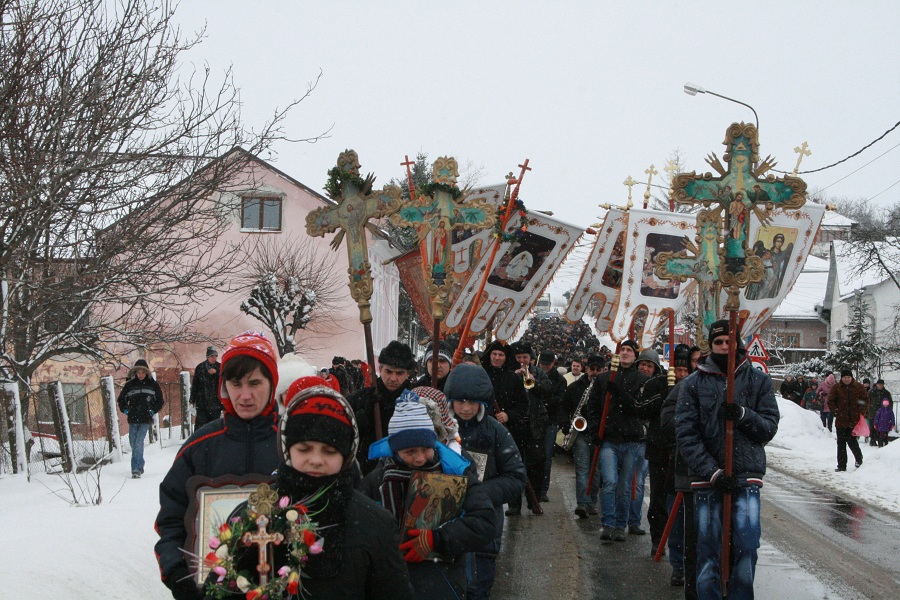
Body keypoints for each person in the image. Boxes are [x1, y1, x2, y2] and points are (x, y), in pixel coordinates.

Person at [206, 374, 414, 599]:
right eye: (304, 449)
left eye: (329, 451)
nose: (316, 460)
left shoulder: (374, 524)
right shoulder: (253, 516)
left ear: (346, 455)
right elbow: (219, 589)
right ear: (287, 449)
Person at [155, 331, 282, 600]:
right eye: (236, 384)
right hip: (216, 591)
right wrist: (176, 571)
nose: (245, 395)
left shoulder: (296, 443)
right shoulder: (199, 447)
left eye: (255, 383)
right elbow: (171, 519)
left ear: (272, 383)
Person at [676, 320, 780, 599]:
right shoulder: (693, 384)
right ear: (711, 345)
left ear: (738, 344)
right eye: (718, 342)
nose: (724, 347)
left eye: (729, 342)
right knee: (708, 547)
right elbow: (687, 434)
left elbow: (768, 428)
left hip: (746, 475)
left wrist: (744, 415)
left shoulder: (758, 381)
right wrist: (713, 472)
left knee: (747, 545)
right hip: (708, 478)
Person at [360, 393, 496, 599]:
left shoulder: (456, 472)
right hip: (390, 583)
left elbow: (484, 521)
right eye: (410, 451)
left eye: (426, 449)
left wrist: (438, 539)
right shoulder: (376, 481)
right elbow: (358, 531)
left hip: (442, 580)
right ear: (395, 450)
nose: (420, 458)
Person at [444, 363, 527, 600]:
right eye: (460, 401)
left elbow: (516, 476)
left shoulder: (496, 432)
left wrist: (479, 494)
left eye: (472, 402)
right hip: (447, 529)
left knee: (478, 590)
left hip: (484, 529)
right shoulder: (441, 432)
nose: (466, 408)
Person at [590, 339, 649, 541]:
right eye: (622, 349)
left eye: (628, 350)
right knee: (609, 482)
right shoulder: (604, 378)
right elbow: (594, 408)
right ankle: (607, 523)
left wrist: (621, 395)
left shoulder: (642, 379)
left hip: (631, 440)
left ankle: (620, 525)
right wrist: (596, 432)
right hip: (609, 439)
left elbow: (639, 408)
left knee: (624, 486)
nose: (624, 353)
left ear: (635, 355)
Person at [659, 343, 697, 590]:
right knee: (679, 519)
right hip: (683, 465)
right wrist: (690, 429)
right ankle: (679, 566)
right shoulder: (685, 387)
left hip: (712, 471)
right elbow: (667, 420)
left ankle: (703, 567)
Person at [349, 340, 416, 475]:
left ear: (408, 373)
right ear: (380, 369)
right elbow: (346, 434)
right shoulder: (361, 398)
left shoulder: (417, 399)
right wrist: (364, 415)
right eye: (388, 371)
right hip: (366, 472)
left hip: (405, 471)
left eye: (399, 373)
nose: (393, 378)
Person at [506, 341, 550, 514]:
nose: (522, 361)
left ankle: (534, 501)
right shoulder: (510, 373)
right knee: (513, 465)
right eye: (519, 358)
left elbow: (548, 389)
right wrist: (514, 379)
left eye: (525, 357)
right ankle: (514, 504)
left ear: (531, 358)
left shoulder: (538, 372)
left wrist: (535, 382)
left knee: (536, 464)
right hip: (516, 425)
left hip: (535, 425)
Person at [634, 348, 669, 548]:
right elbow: (641, 409)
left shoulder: (664, 383)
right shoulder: (654, 386)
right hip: (652, 444)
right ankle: (656, 538)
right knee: (655, 495)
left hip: (667, 445)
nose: (645, 368)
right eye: (643, 364)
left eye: (649, 365)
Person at [564, 353, 605, 518]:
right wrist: (565, 424)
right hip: (581, 432)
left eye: (598, 370)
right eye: (591, 369)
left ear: (603, 370)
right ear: (586, 369)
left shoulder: (605, 388)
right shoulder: (575, 387)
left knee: (595, 471)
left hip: (599, 433)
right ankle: (582, 503)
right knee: (582, 469)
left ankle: (591, 502)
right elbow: (564, 405)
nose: (594, 372)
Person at [117, 358, 164, 479]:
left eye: (143, 372)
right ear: (135, 373)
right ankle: (140, 462)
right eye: (138, 372)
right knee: (133, 442)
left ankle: (136, 469)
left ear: (146, 373)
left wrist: (152, 410)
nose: (141, 375)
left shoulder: (153, 385)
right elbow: (121, 400)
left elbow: (160, 400)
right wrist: (126, 410)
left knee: (138, 442)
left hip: (145, 418)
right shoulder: (130, 385)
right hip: (133, 418)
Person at [535, 350, 567, 502]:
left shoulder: (560, 379)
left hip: (550, 420)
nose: (544, 367)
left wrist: (542, 403)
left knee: (546, 456)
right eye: (542, 364)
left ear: (553, 364)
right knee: (532, 455)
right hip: (534, 420)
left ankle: (542, 489)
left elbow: (559, 399)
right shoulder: (534, 373)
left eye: (546, 364)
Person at [827, 368, 868, 471]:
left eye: (848, 377)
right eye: (845, 377)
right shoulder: (836, 388)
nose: (847, 379)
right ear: (842, 378)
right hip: (841, 420)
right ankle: (841, 465)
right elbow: (830, 401)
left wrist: (861, 412)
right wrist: (835, 411)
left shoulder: (858, 387)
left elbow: (865, 400)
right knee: (841, 444)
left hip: (853, 420)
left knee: (852, 442)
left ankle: (859, 460)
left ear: (851, 377)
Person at [189, 346, 221, 430]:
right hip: (202, 403)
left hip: (215, 404)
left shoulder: (220, 367)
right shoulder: (200, 368)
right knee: (200, 427)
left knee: (214, 427)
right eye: (212, 356)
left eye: (215, 356)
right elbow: (195, 384)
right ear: (208, 357)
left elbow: (225, 381)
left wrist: (217, 373)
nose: (214, 358)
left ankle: (214, 442)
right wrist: (192, 399)